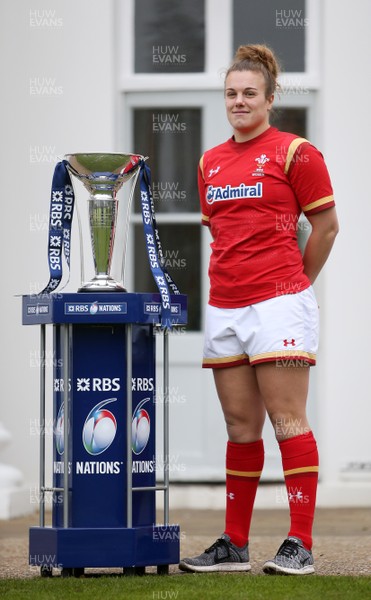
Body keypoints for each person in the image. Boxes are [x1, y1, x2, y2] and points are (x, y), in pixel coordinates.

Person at [179, 44, 339, 576]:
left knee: (287, 420)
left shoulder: (297, 152)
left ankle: (300, 542)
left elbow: (327, 227)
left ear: (271, 98)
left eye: (250, 93)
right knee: (240, 426)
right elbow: (223, 236)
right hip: (224, 305)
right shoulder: (209, 162)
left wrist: (295, 285)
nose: (239, 101)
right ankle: (235, 543)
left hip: (279, 304)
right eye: (231, 93)